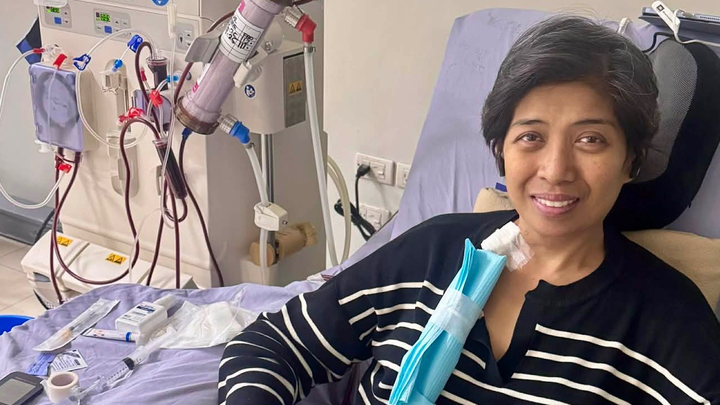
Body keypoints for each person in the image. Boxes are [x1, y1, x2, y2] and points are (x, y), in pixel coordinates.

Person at [219, 15, 720, 405]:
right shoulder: (432, 253)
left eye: (591, 139)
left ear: (631, 159)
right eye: (531, 136)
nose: (555, 169)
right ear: (502, 149)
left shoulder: (667, 323)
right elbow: (271, 346)